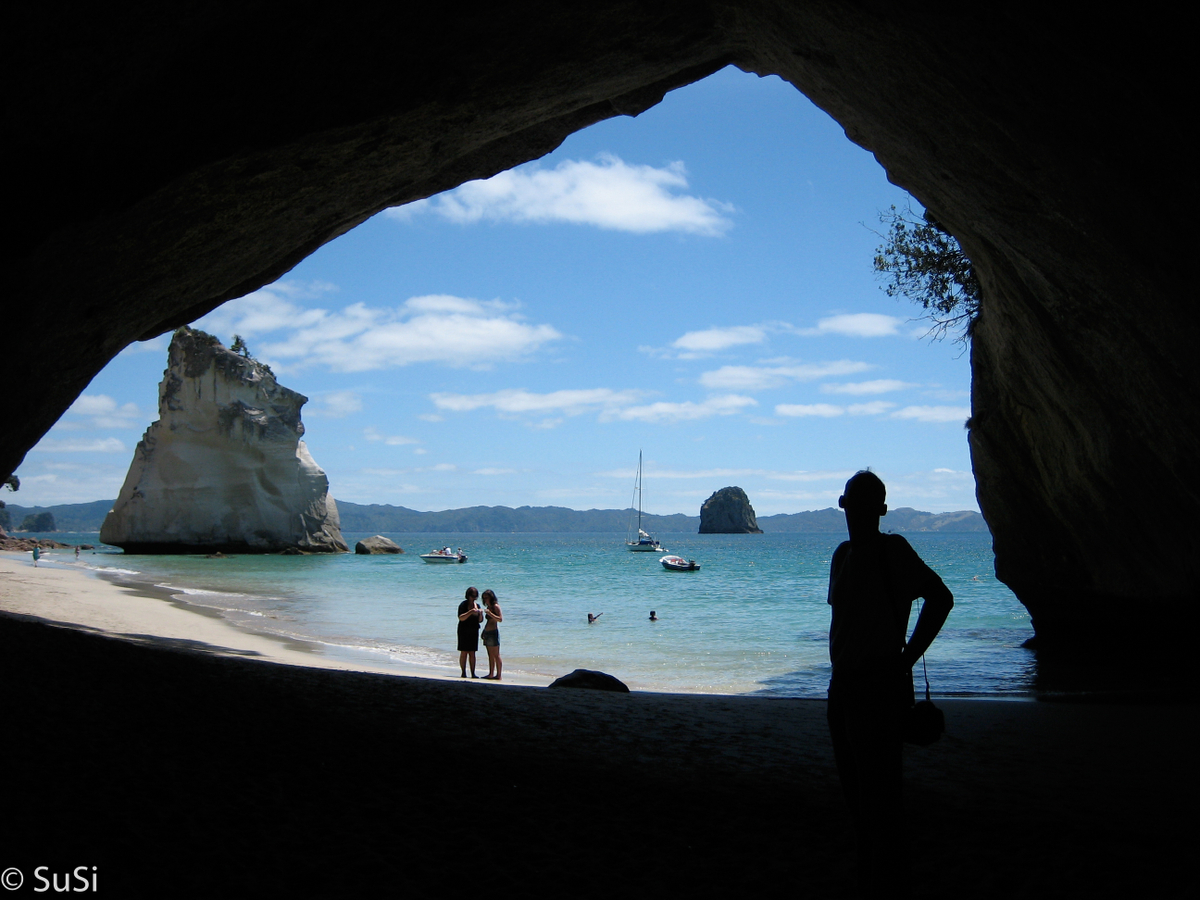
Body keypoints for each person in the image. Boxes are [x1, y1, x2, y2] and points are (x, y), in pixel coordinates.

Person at [825, 470, 953, 897]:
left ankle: (884, 883)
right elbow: (841, 625)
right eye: (853, 505)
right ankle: (873, 879)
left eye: (863, 506)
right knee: (859, 801)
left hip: (878, 689)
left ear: (878, 511)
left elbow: (940, 596)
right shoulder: (841, 555)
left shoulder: (893, 551)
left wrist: (905, 660)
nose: (856, 514)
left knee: (880, 802)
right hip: (843, 689)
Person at [456, 587, 483, 678]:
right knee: (464, 652)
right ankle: (463, 672)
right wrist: (471, 612)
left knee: (472, 652)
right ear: (468, 596)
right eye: (472, 596)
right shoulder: (463, 605)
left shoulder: (477, 606)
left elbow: (480, 620)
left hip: (474, 630)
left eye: (475, 596)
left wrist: (480, 614)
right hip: (463, 630)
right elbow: (461, 618)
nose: (474, 598)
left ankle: (473, 673)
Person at [481, 589, 503, 680]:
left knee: (496, 655)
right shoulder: (489, 607)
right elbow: (488, 622)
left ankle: (499, 675)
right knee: (490, 655)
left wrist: (490, 613)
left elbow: (500, 619)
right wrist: (483, 631)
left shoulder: (495, 607)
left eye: (487, 597)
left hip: (493, 632)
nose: (486, 599)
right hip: (487, 632)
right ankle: (491, 673)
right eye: (484, 598)